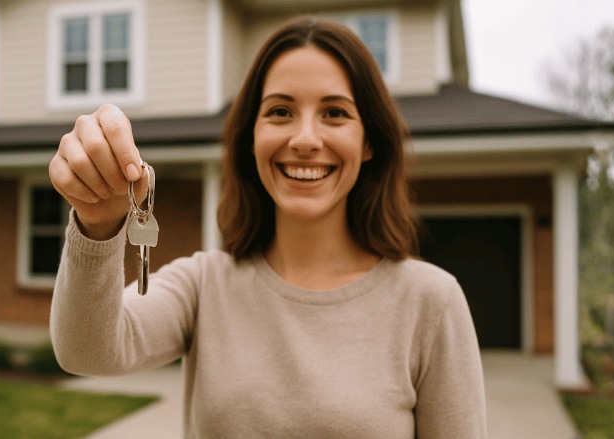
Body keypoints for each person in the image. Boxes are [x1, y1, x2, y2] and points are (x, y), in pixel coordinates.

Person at [49, 16, 486, 438]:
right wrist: (98, 221)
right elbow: (86, 350)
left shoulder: (432, 302)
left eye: (334, 113)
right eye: (280, 111)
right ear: (251, 137)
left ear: (369, 141)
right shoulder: (203, 285)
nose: (305, 140)